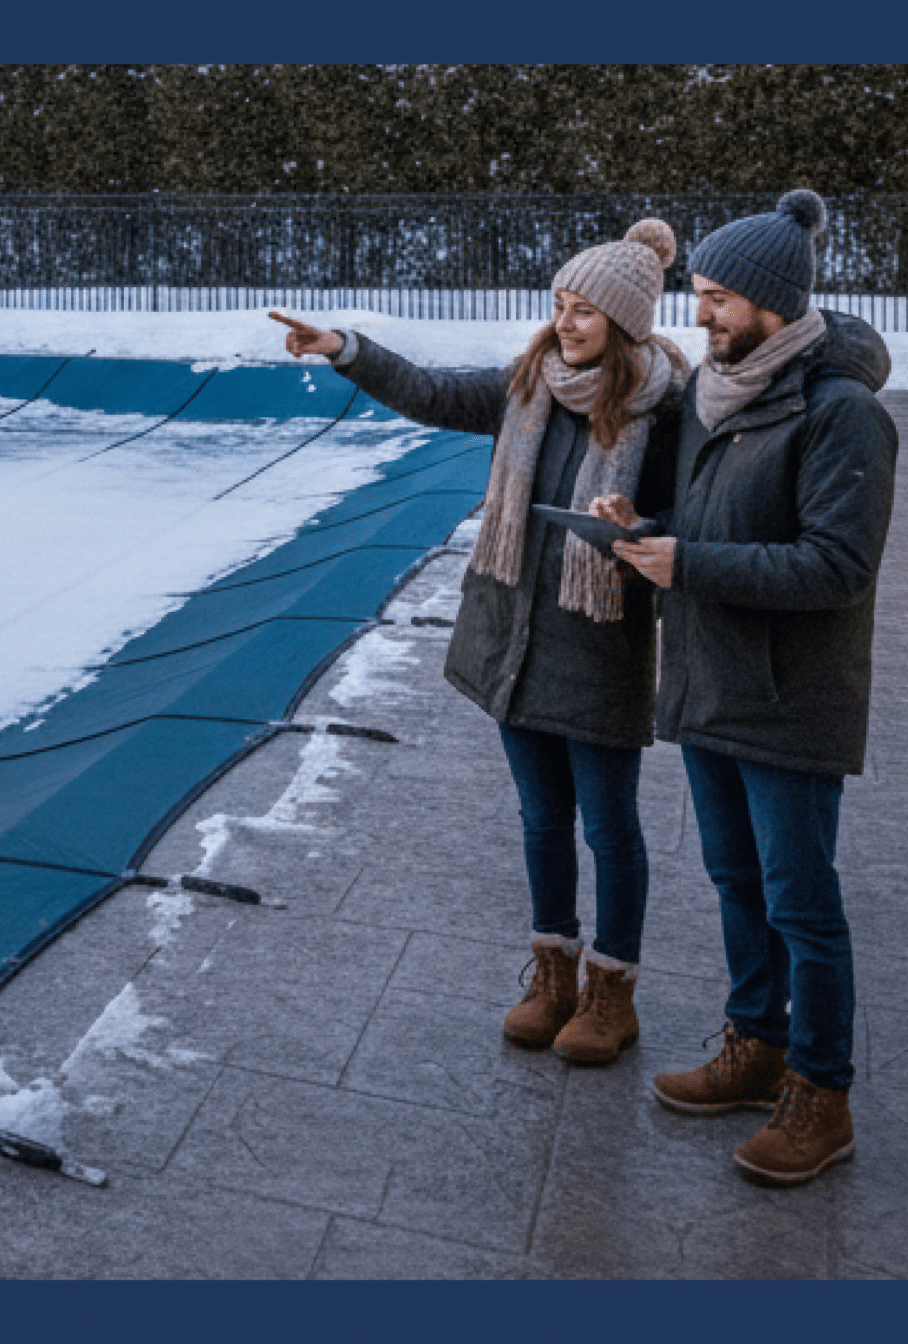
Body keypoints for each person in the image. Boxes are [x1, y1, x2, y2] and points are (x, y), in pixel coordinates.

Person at [275, 219, 688, 1066]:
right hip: (512, 641)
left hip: (599, 643)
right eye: (560, 305)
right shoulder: (527, 385)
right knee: (542, 818)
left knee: (609, 828)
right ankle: (551, 974)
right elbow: (429, 391)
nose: (565, 323)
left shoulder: (668, 410)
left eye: (584, 312)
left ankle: (613, 993)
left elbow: (692, 518)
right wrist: (344, 348)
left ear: (627, 321)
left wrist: (641, 527)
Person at [592, 188, 897, 1187]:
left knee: (802, 902)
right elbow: (701, 511)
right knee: (735, 882)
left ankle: (823, 1093)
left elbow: (835, 568)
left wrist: (692, 566)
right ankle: (756, 1045)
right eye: (700, 294)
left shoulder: (839, 412)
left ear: (771, 301)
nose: (700, 315)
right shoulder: (711, 395)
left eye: (718, 298)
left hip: (791, 696)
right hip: (709, 683)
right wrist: (639, 518)